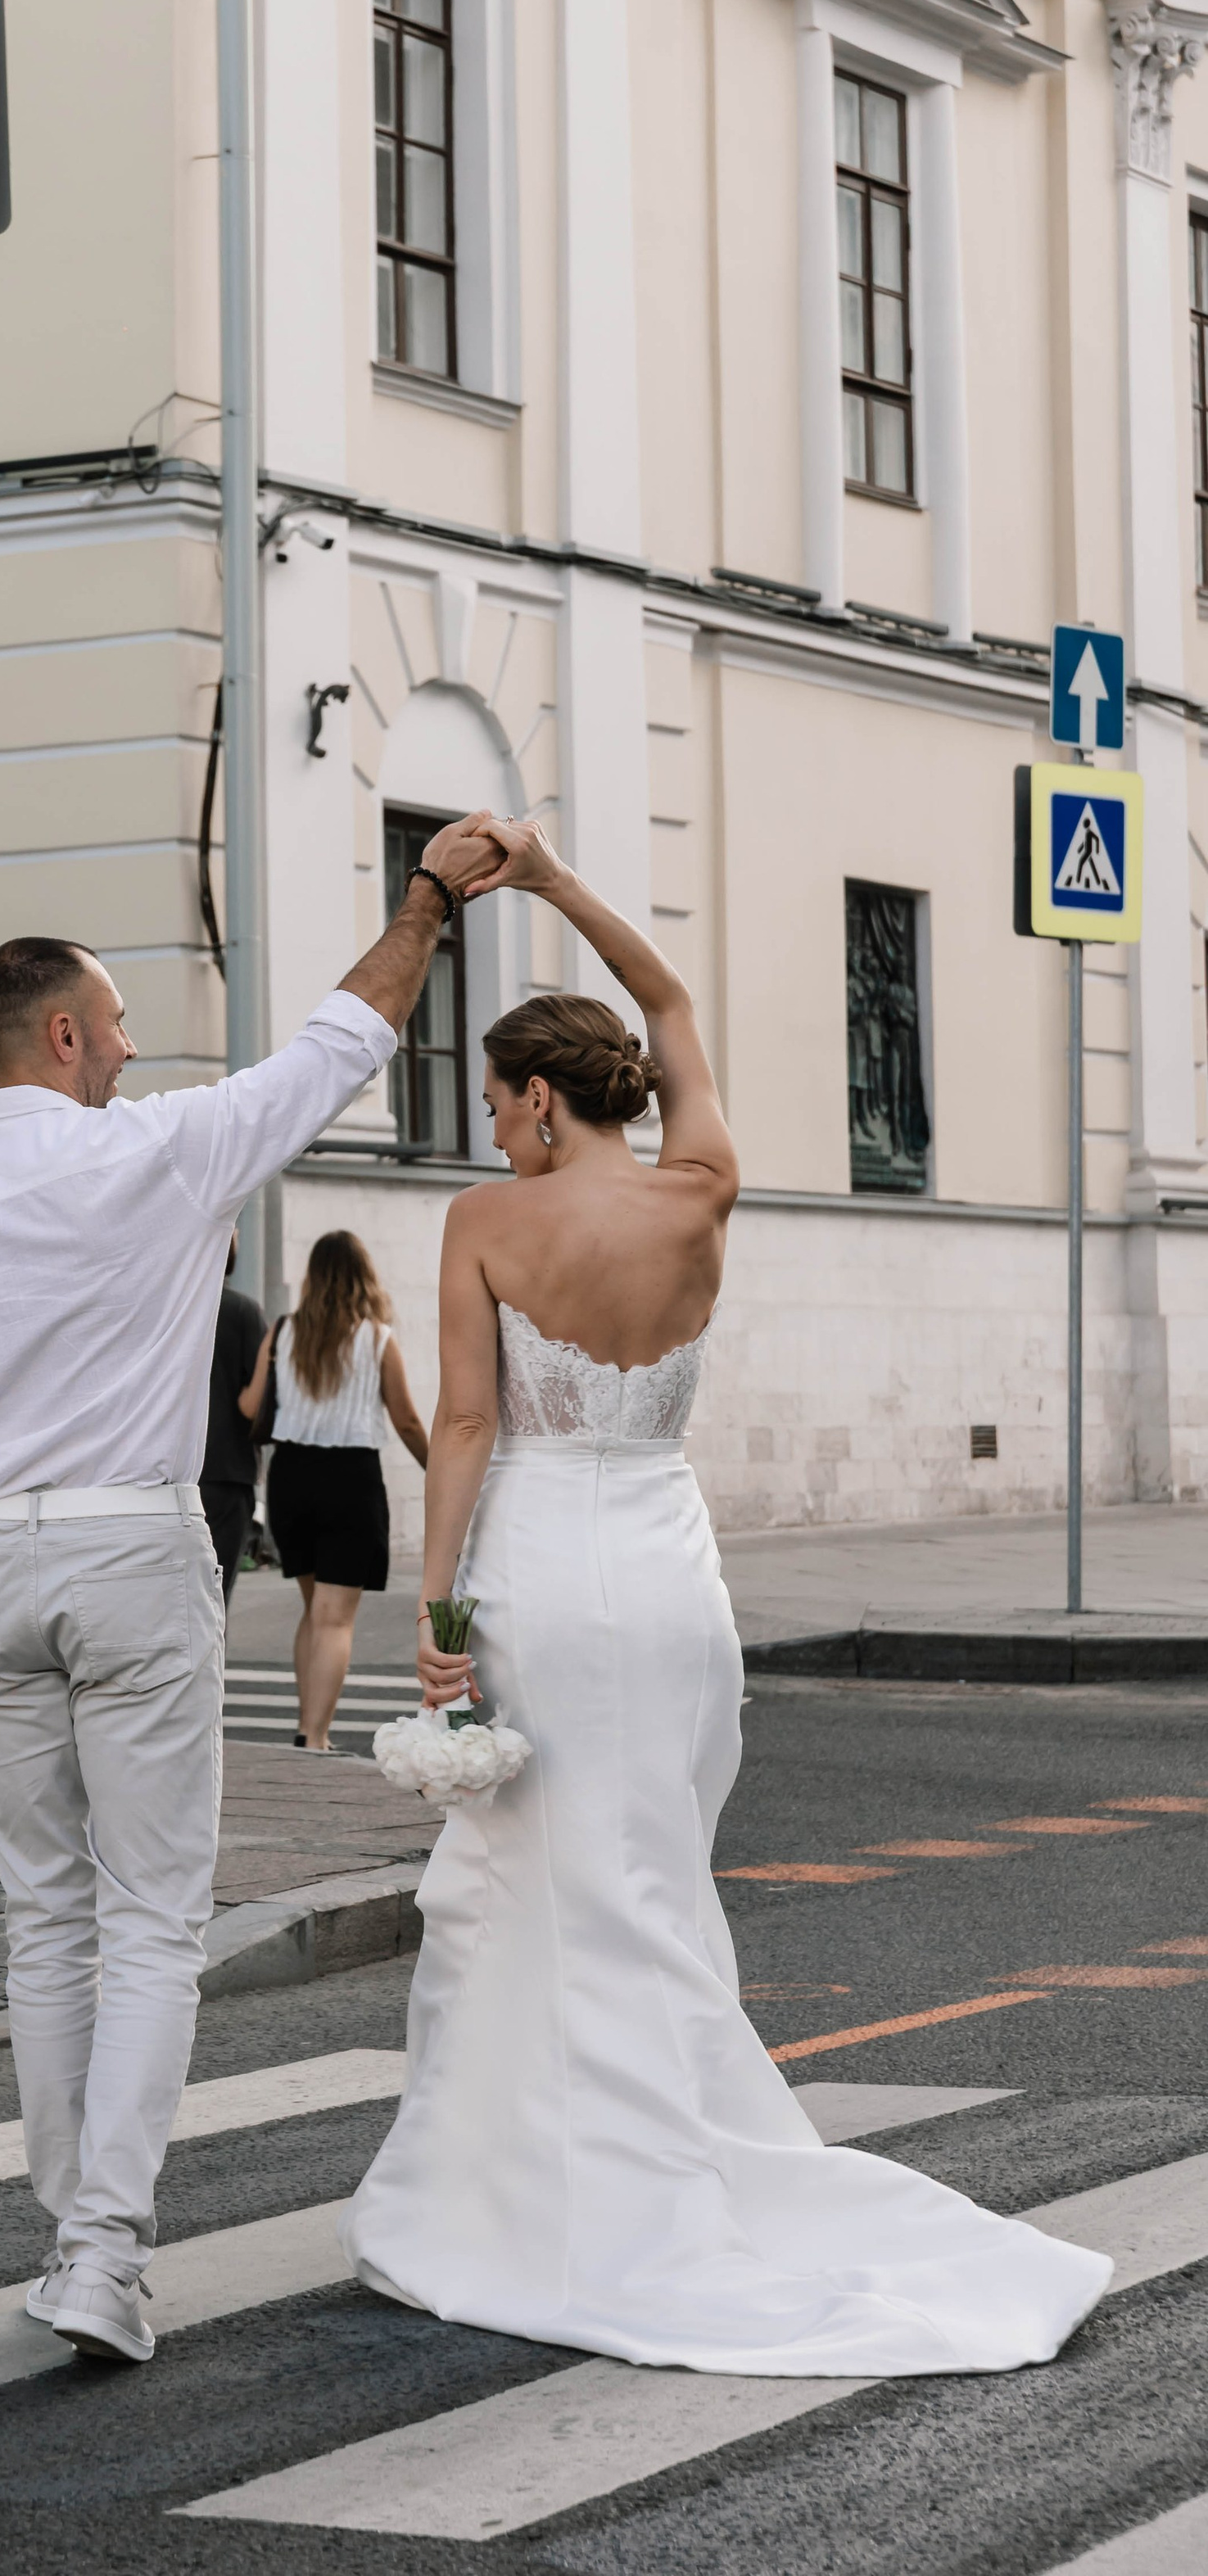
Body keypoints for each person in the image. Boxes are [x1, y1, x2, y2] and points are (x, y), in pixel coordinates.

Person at [341, 818, 1110, 2375]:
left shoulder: (489, 1225)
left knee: (550, 1886)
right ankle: (640, 2162)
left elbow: (471, 1427)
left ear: (541, 1100)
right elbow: (673, 998)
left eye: (498, 1105)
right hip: (677, 1577)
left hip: (551, 1574)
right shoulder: (708, 1187)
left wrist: (430, 1620)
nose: (491, 1134)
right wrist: (553, 879)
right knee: (653, 1874)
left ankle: (551, 2199)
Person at [0, 813, 512, 2370]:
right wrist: (424, 897)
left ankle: (73, 2223)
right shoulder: (154, 1150)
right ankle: (100, 2253)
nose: (136, 1052)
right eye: (123, 1025)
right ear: (64, 1035)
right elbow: (344, 1043)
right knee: (150, 1920)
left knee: (42, 1920)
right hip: (133, 1550)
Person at [238, 1232, 428, 1750]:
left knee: (312, 1610)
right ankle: (315, 1735)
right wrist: (437, 1469)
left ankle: (307, 1725)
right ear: (363, 1277)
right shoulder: (377, 1339)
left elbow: (252, 1407)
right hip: (351, 1479)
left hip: (292, 1477)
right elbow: (407, 1420)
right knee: (336, 1618)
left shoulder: (282, 1332)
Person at [197, 1233, 264, 1602]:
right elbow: (261, 1399)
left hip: (166, 1475)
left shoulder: (168, 1309)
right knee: (216, 1597)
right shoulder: (242, 1312)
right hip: (228, 1471)